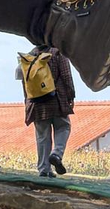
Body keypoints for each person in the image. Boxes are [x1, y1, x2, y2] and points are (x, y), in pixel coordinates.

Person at [24, 44, 75, 177]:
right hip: (56, 99)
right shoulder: (57, 53)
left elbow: (25, 82)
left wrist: (28, 103)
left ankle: (44, 169)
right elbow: (66, 76)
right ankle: (57, 153)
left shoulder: (30, 56)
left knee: (42, 136)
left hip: (37, 103)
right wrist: (71, 95)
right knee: (63, 127)